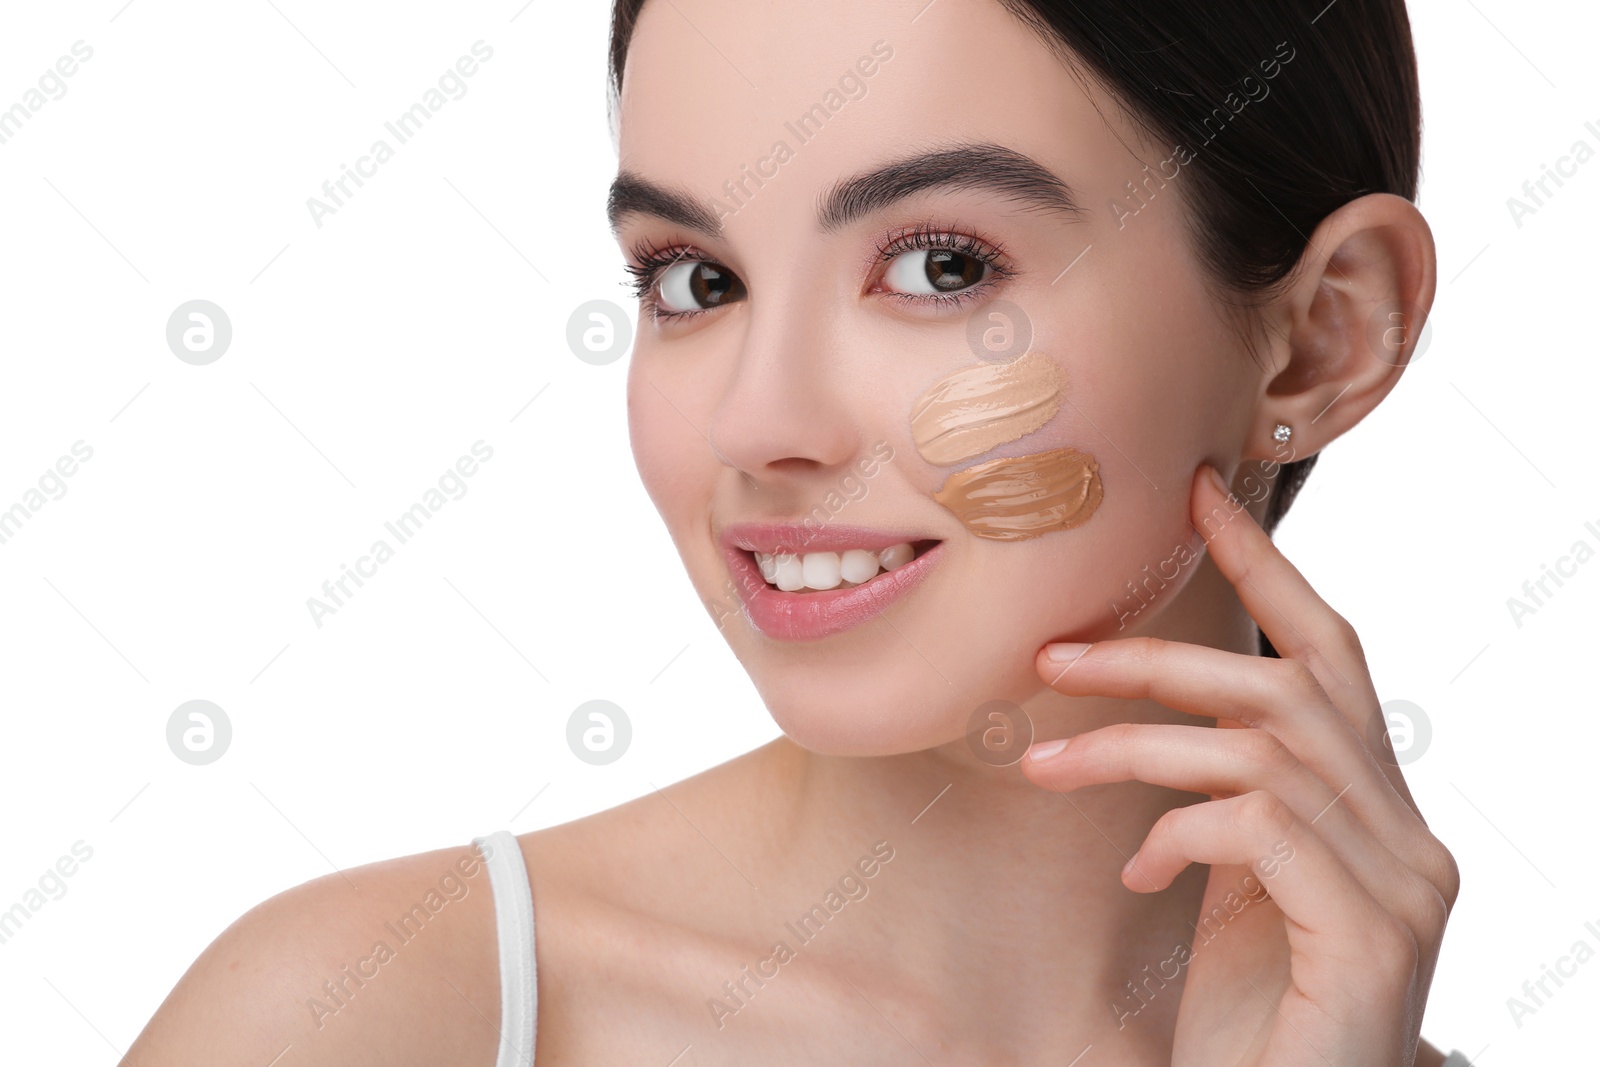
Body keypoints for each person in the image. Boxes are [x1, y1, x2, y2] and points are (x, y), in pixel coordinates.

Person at [122, 0, 1466, 1063]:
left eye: (942, 266)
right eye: (695, 281)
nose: (758, 425)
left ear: (1322, 338)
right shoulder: (363, 1020)